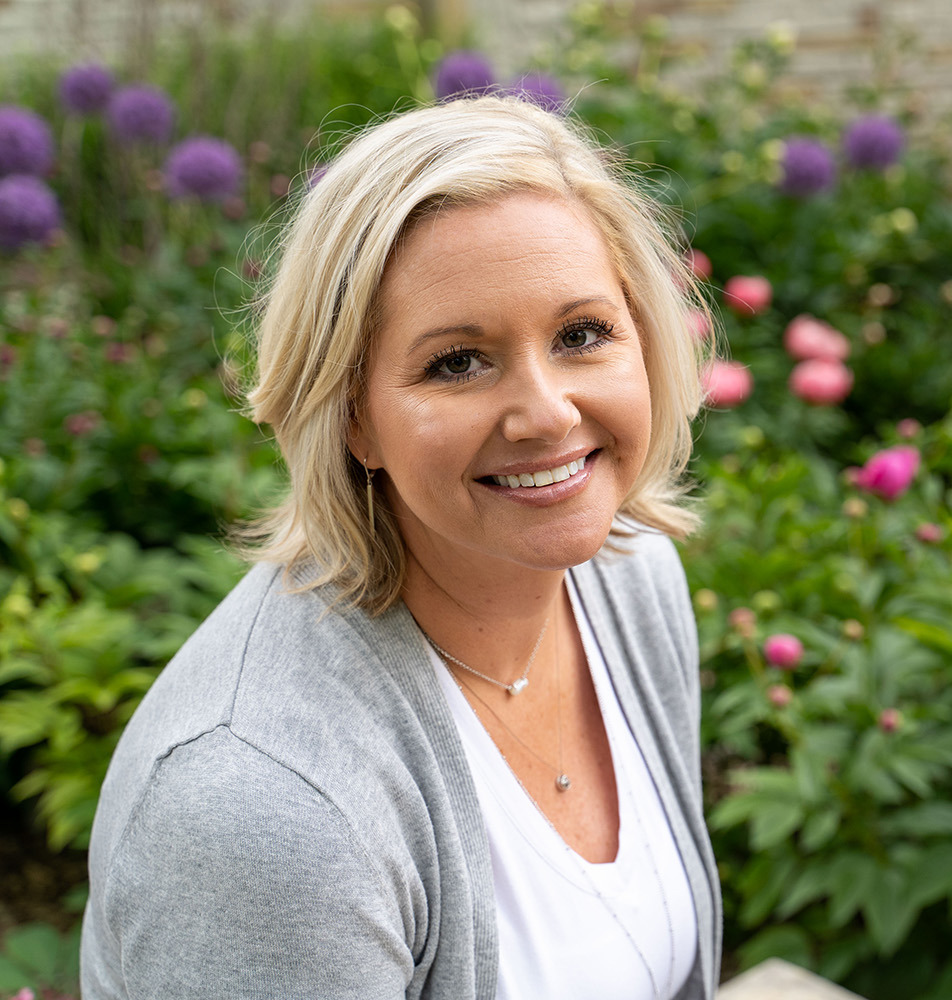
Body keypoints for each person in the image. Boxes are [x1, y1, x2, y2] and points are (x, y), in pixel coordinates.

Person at [80, 95, 723, 999]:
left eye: (582, 335)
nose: (547, 412)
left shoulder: (627, 575)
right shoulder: (261, 804)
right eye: (457, 361)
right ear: (353, 421)